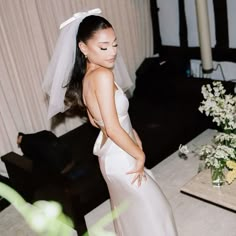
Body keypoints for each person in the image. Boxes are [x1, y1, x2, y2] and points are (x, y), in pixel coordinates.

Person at [43, 9, 178, 235]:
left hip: (113, 155)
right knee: (155, 211)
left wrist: (133, 133)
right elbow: (113, 126)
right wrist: (139, 154)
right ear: (83, 48)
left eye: (115, 44)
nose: (112, 52)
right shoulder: (103, 76)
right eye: (104, 47)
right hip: (122, 156)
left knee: (134, 214)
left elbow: (100, 122)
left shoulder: (88, 78)